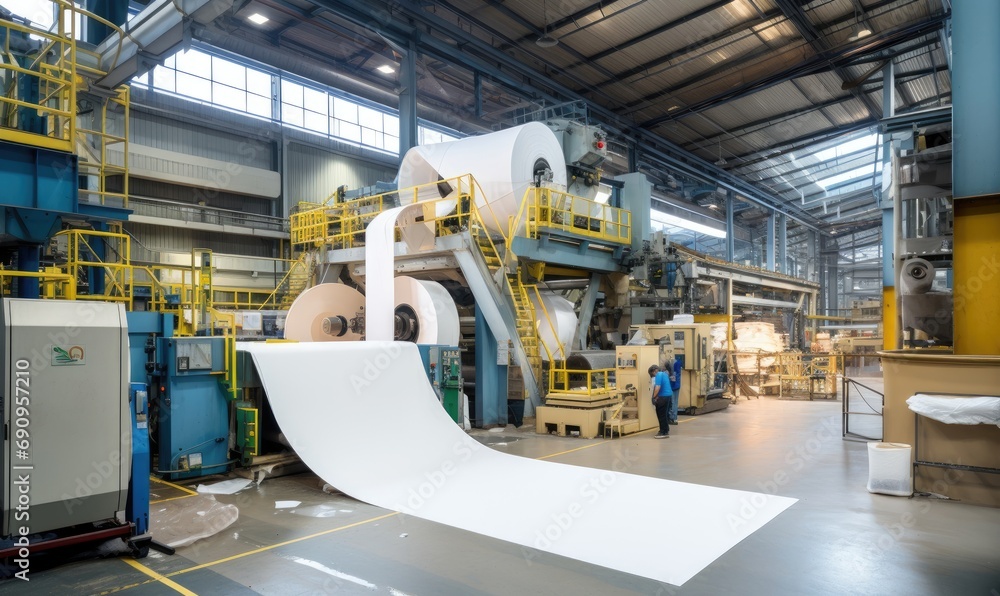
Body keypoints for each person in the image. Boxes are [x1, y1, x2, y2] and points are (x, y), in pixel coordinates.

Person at [648, 364, 673, 439]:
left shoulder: (658, 375)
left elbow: (657, 387)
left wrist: (653, 397)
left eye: (652, 374)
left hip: (663, 397)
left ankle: (663, 432)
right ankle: (666, 429)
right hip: (668, 396)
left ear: (654, 371)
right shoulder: (664, 374)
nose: (653, 376)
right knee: (664, 415)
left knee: (661, 415)